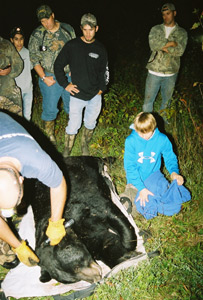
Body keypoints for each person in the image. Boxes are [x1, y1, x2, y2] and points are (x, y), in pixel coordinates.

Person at [0, 111, 67, 268]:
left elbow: (58, 184)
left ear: (22, 179)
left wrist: (56, 222)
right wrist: (17, 246)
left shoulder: (37, 161)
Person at [54, 13, 109, 156]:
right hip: (77, 94)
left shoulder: (100, 48)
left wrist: (102, 89)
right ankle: (67, 149)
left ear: (96, 28)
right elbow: (58, 65)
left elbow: (105, 71)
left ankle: (84, 144)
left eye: (91, 29)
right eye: (85, 29)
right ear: (81, 29)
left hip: (95, 95)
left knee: (90, 122)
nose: (88, 33)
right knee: (73, 124)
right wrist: (66, 85)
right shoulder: (72, 46)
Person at [121, 112, 189, 218]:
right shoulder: (131, 140)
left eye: (146, 133)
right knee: (128, 204)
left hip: (154, 176)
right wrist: (141, 188)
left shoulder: (162, 139)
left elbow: (170, 158)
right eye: (140, 132)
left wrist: (174, 173)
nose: (143, 136)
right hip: (136, 179)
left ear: (153, 127)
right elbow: (129, 167)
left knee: (165, 197)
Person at [28, 4, 76, 143]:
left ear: (53, 15)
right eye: (42, 21)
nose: (46, 23)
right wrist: (43, 77)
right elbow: (34, 59)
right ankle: (50, 137)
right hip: (50, 77)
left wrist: (74, 70)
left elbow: (75, 51)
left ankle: (70, 133)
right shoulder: (37, 34)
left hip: (68, 76)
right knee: (49, 109)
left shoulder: (67, 29)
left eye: (47, 19)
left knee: (71, 107)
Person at [142, 3, 188, 120]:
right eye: (163, 14)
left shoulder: (182, 32)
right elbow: (153, 45)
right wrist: (172, 43)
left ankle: (163, 125)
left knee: (166, 102)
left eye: (168, 14)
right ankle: (146, 125)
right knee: (148, 102)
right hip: (154, 71)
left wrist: (163, 46)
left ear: (174, 13)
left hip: (171, 73)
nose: (165, 17)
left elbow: (180, 51)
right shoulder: (155, 29)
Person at [10, 27, 33, 121]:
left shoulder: (29, 53)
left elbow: (33, 67)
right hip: (14, 91)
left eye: (21, 39)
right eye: (16, 39)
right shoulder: (8, 54)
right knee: (15, 116)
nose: (19, 42)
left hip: (27, 89)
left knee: (27, 116)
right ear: (11, 40)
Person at [0, 36, 23, 116]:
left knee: (15, 121)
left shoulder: (6, 44)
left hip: (8, 90)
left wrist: (10, 70)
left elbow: (19, 64)